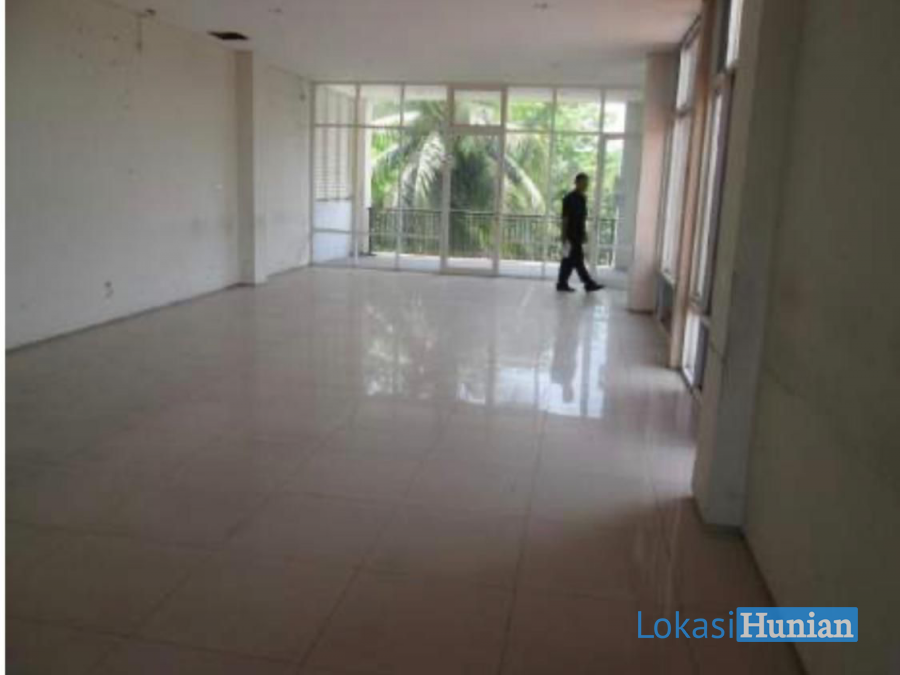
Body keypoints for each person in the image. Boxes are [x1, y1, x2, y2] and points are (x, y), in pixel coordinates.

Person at [557, 173, 603, 293]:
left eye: (586, 183)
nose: (585, 186)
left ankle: (562, 283)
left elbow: (582, 218)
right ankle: (588, 283)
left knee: (570, 260)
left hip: (578, 234)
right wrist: (563, 235)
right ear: (576, 183)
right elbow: (565, 218)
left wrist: (584, 233)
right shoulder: (568, 199)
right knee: (575, 260)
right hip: (570, 234)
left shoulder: (583, 198)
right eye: (583, 183)